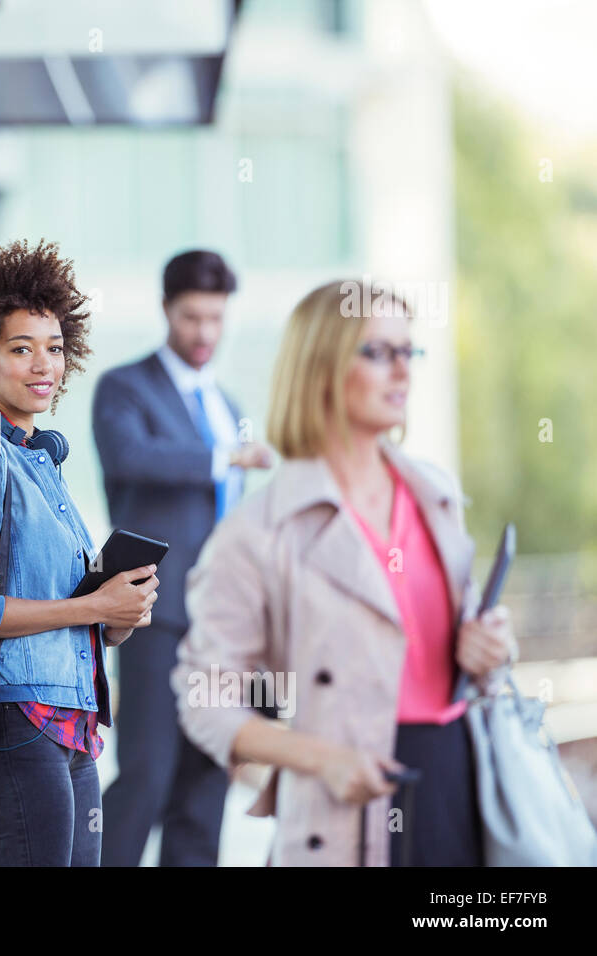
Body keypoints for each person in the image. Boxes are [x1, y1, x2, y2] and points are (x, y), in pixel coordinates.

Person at [172, 278, 517, 866]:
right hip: (343, 797)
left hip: (459, 779)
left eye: (408, 352)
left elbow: (454, 655)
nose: (402, 372)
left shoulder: (436, 496)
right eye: (379, 353)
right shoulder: (259, 531)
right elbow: (204, 697)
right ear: (321, 367)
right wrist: (318, 758)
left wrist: (490, 649)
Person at [0, 238, 159, 866]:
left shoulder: (40, 462)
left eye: (53, 349)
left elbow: (67, 613)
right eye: (20, 349)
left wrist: (116, 616)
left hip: (70, 719)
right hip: (15, 720)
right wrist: (89, 610)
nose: (42, 365)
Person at [93, 249, 273, 867]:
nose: (205, 333)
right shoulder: (124, 387)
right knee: (146, 773)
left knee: (207, 781)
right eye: (192, 317)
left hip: (222, 625)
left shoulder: (230, 406)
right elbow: (131, 458)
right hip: (153, 615)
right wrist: (225, 458)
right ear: (167, 309)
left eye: (216, 319)